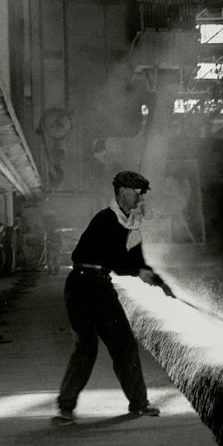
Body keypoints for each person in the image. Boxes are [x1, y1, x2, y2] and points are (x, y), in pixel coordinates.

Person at [55, 170, 170, 423]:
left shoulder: (129, 224)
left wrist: (160, 281)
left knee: (125, 346)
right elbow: (117, 261)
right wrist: (139, 272)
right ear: (122, 193)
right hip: (82, 287)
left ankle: (139, 404)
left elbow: (133, 260)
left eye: (141, 195)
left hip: (101, 286)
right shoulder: (106, 220)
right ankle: (65, 407)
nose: (140, 200)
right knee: (87, 349)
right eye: (136, 194)